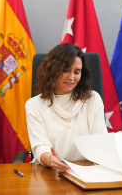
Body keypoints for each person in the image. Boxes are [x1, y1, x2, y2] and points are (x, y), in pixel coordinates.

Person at [25, 43, 107, 172]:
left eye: (77, 72)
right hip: (51, 173)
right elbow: (40, 147)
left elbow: (100, 142)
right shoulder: (34, 105)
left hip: (87, 171)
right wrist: (49, 159)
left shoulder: (93, 99)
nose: (71, 77)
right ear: (52, 70)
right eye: (66, 70)